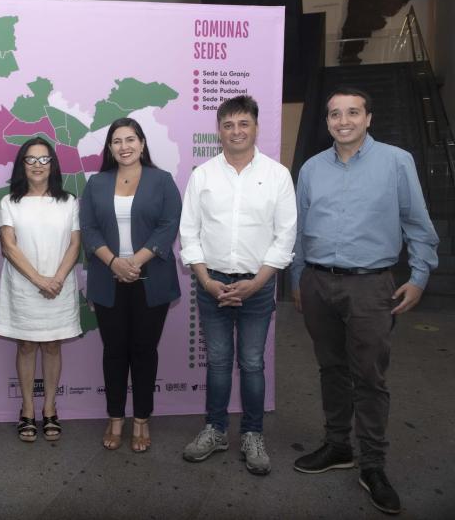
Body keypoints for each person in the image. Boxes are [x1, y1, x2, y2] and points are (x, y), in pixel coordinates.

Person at [291, 87, 438, 514]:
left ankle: (373, 464)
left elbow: (417, 222)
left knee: (369, 377)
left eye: (352, 112)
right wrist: (299, 279)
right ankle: (338, 446)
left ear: (368, 118)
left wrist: (420, 276)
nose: (343, 121)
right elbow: (300, 229)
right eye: (335, 114)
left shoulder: (396, 162)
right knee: (331, 369)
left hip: (372, 287)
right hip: (318, 283)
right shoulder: (312, 169)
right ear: (327, 121)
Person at [179, 95, 296, 475]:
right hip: (211, 284)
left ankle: (252, 434)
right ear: (219, 130)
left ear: (256, 127)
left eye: (243, 124)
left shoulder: (277, 175)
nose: (236, 131)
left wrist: (257, 282)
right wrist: (207, 281)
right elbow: (189, 233)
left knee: (250, 362)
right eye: (228, 125)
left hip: (258, 286)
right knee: (216, 362)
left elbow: (285, 237)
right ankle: (215, 430)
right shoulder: (203, 175)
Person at [79, 117, 181, 453]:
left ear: (142, 142)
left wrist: (134, 262)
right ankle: (115, 418)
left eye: (131, 139)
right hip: (108, 278)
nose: (124, 146)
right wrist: (114, 262)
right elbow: (89, 229)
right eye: (117, 141)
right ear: (109, 147)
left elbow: (168, 226)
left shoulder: (162, 181)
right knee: (114, 351)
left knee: (144, 351)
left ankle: (141, 419)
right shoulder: (96, 183)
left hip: (150, 279)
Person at [0, 137, 81, 442]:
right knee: (27, 346)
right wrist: (40, 280)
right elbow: (8, 246)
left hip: (60, 283)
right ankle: (27, 410)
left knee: (53, 345)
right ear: (22, 165)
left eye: (44, 160)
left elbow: (75, 244)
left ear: (53, 165)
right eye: (31, 159)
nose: (38, 165)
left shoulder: (69, 201)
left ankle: (50, 408)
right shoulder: (9, 202)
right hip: (24, 287)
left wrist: (55, 278)